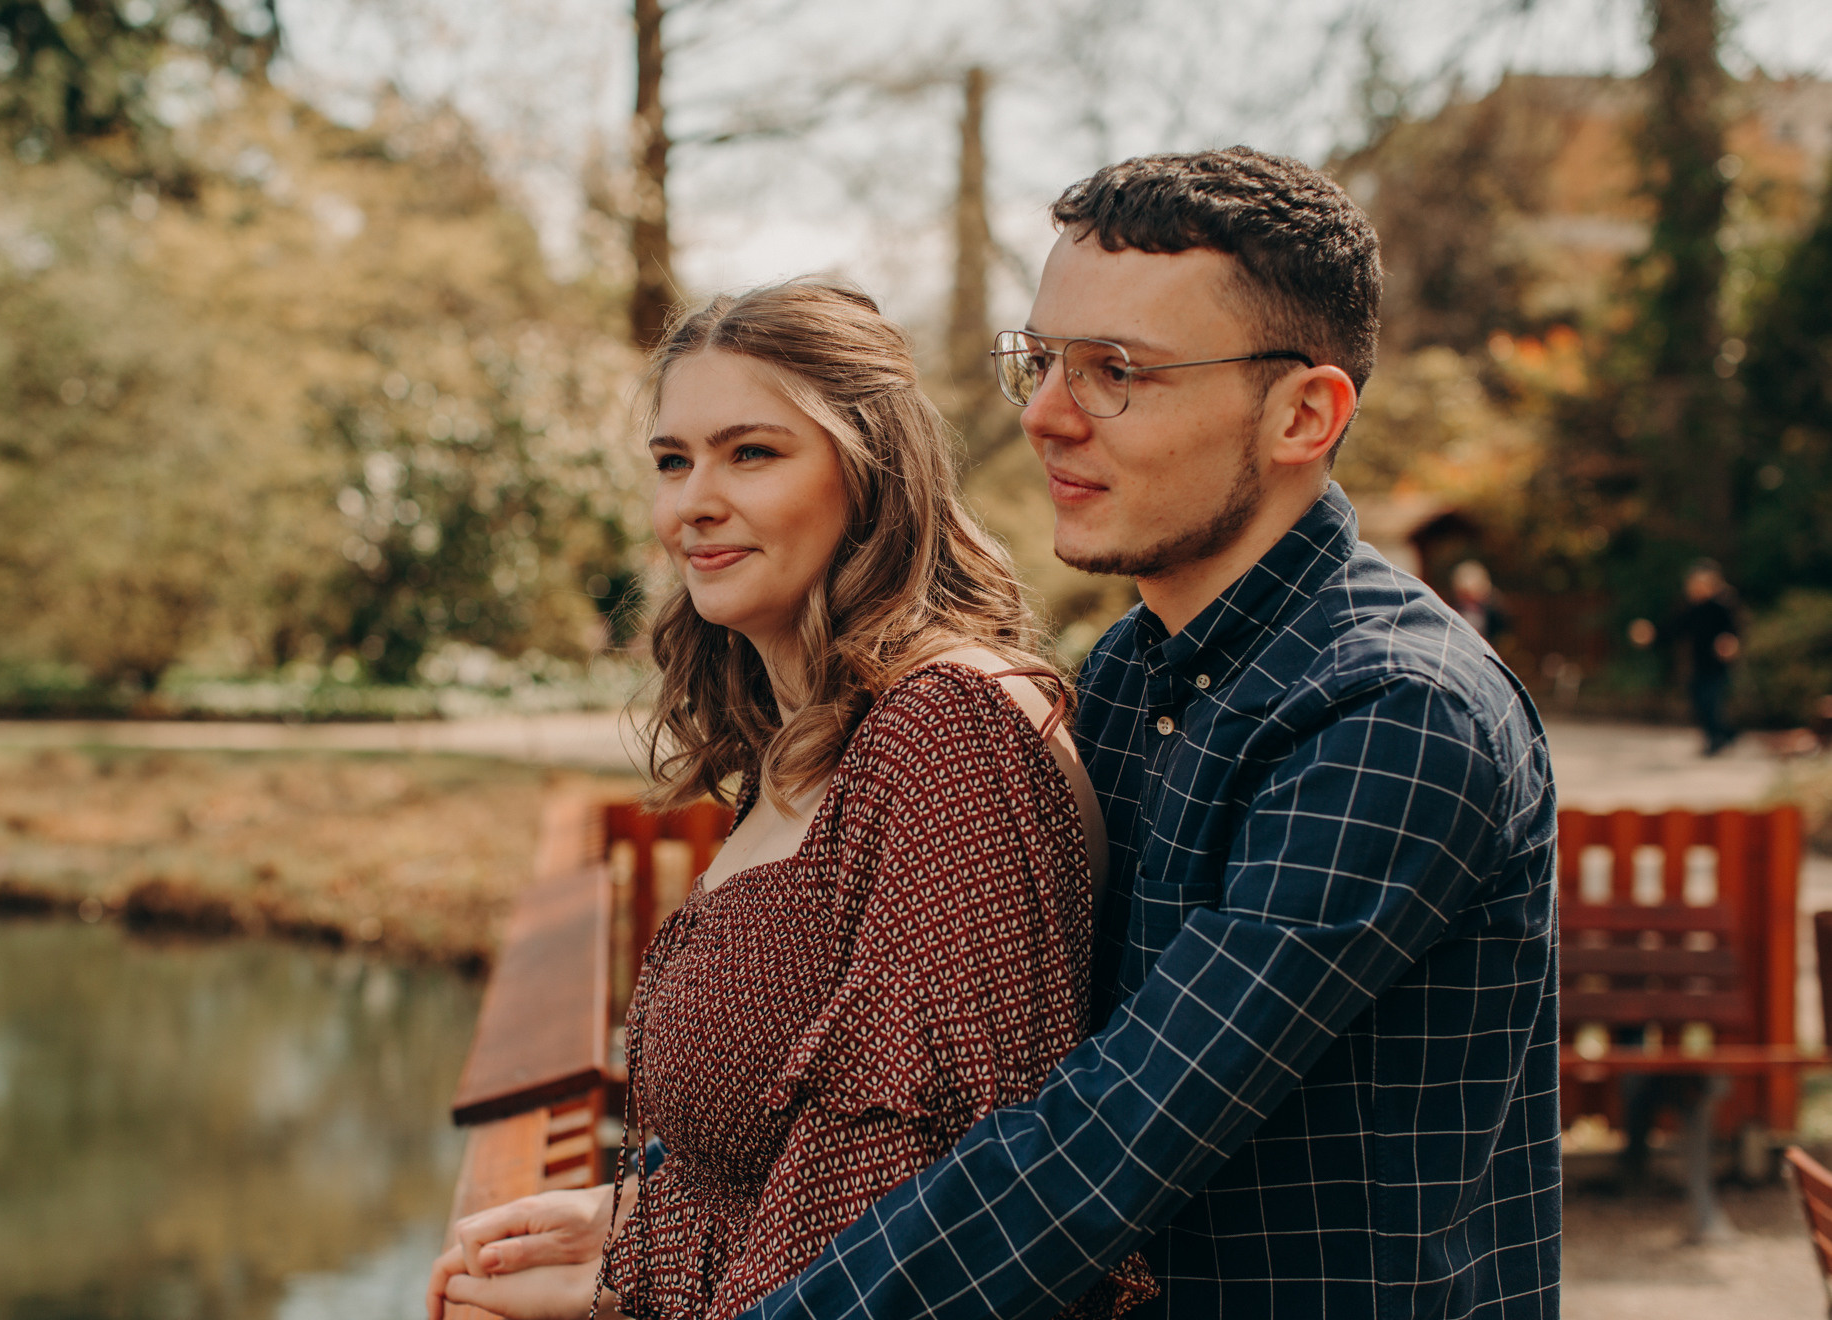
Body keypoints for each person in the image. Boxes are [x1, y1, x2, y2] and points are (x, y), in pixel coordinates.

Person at [447, 148, 1561, 1320]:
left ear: (1303, 414)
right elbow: (951, 1070)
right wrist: (667, 1209)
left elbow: (1104, 1143)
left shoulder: (1394, 710)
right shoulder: (1133, 674)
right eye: (1044, 361)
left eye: (1116, 372)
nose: (1042, 415)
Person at [426, 280, 1155, 1320]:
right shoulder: (809, 741)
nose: (693, 503)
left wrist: (628, 1284)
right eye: (673, 461)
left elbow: (915, 1218)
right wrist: (643, 1213)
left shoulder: (947, 734)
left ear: (872, 475)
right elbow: (802, 1134)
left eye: (751, 453)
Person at [1628, 560, 1742, 756]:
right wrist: (1652, 635)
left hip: (1718, 664)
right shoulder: (1690, 609)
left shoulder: (1722, 606)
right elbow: (1673, 630)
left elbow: (1734, 631)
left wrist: (1730, 643)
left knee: (1710, 701)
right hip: (1698, 663)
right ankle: (1727, 734)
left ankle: (1716, 740)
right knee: (1698, 702)